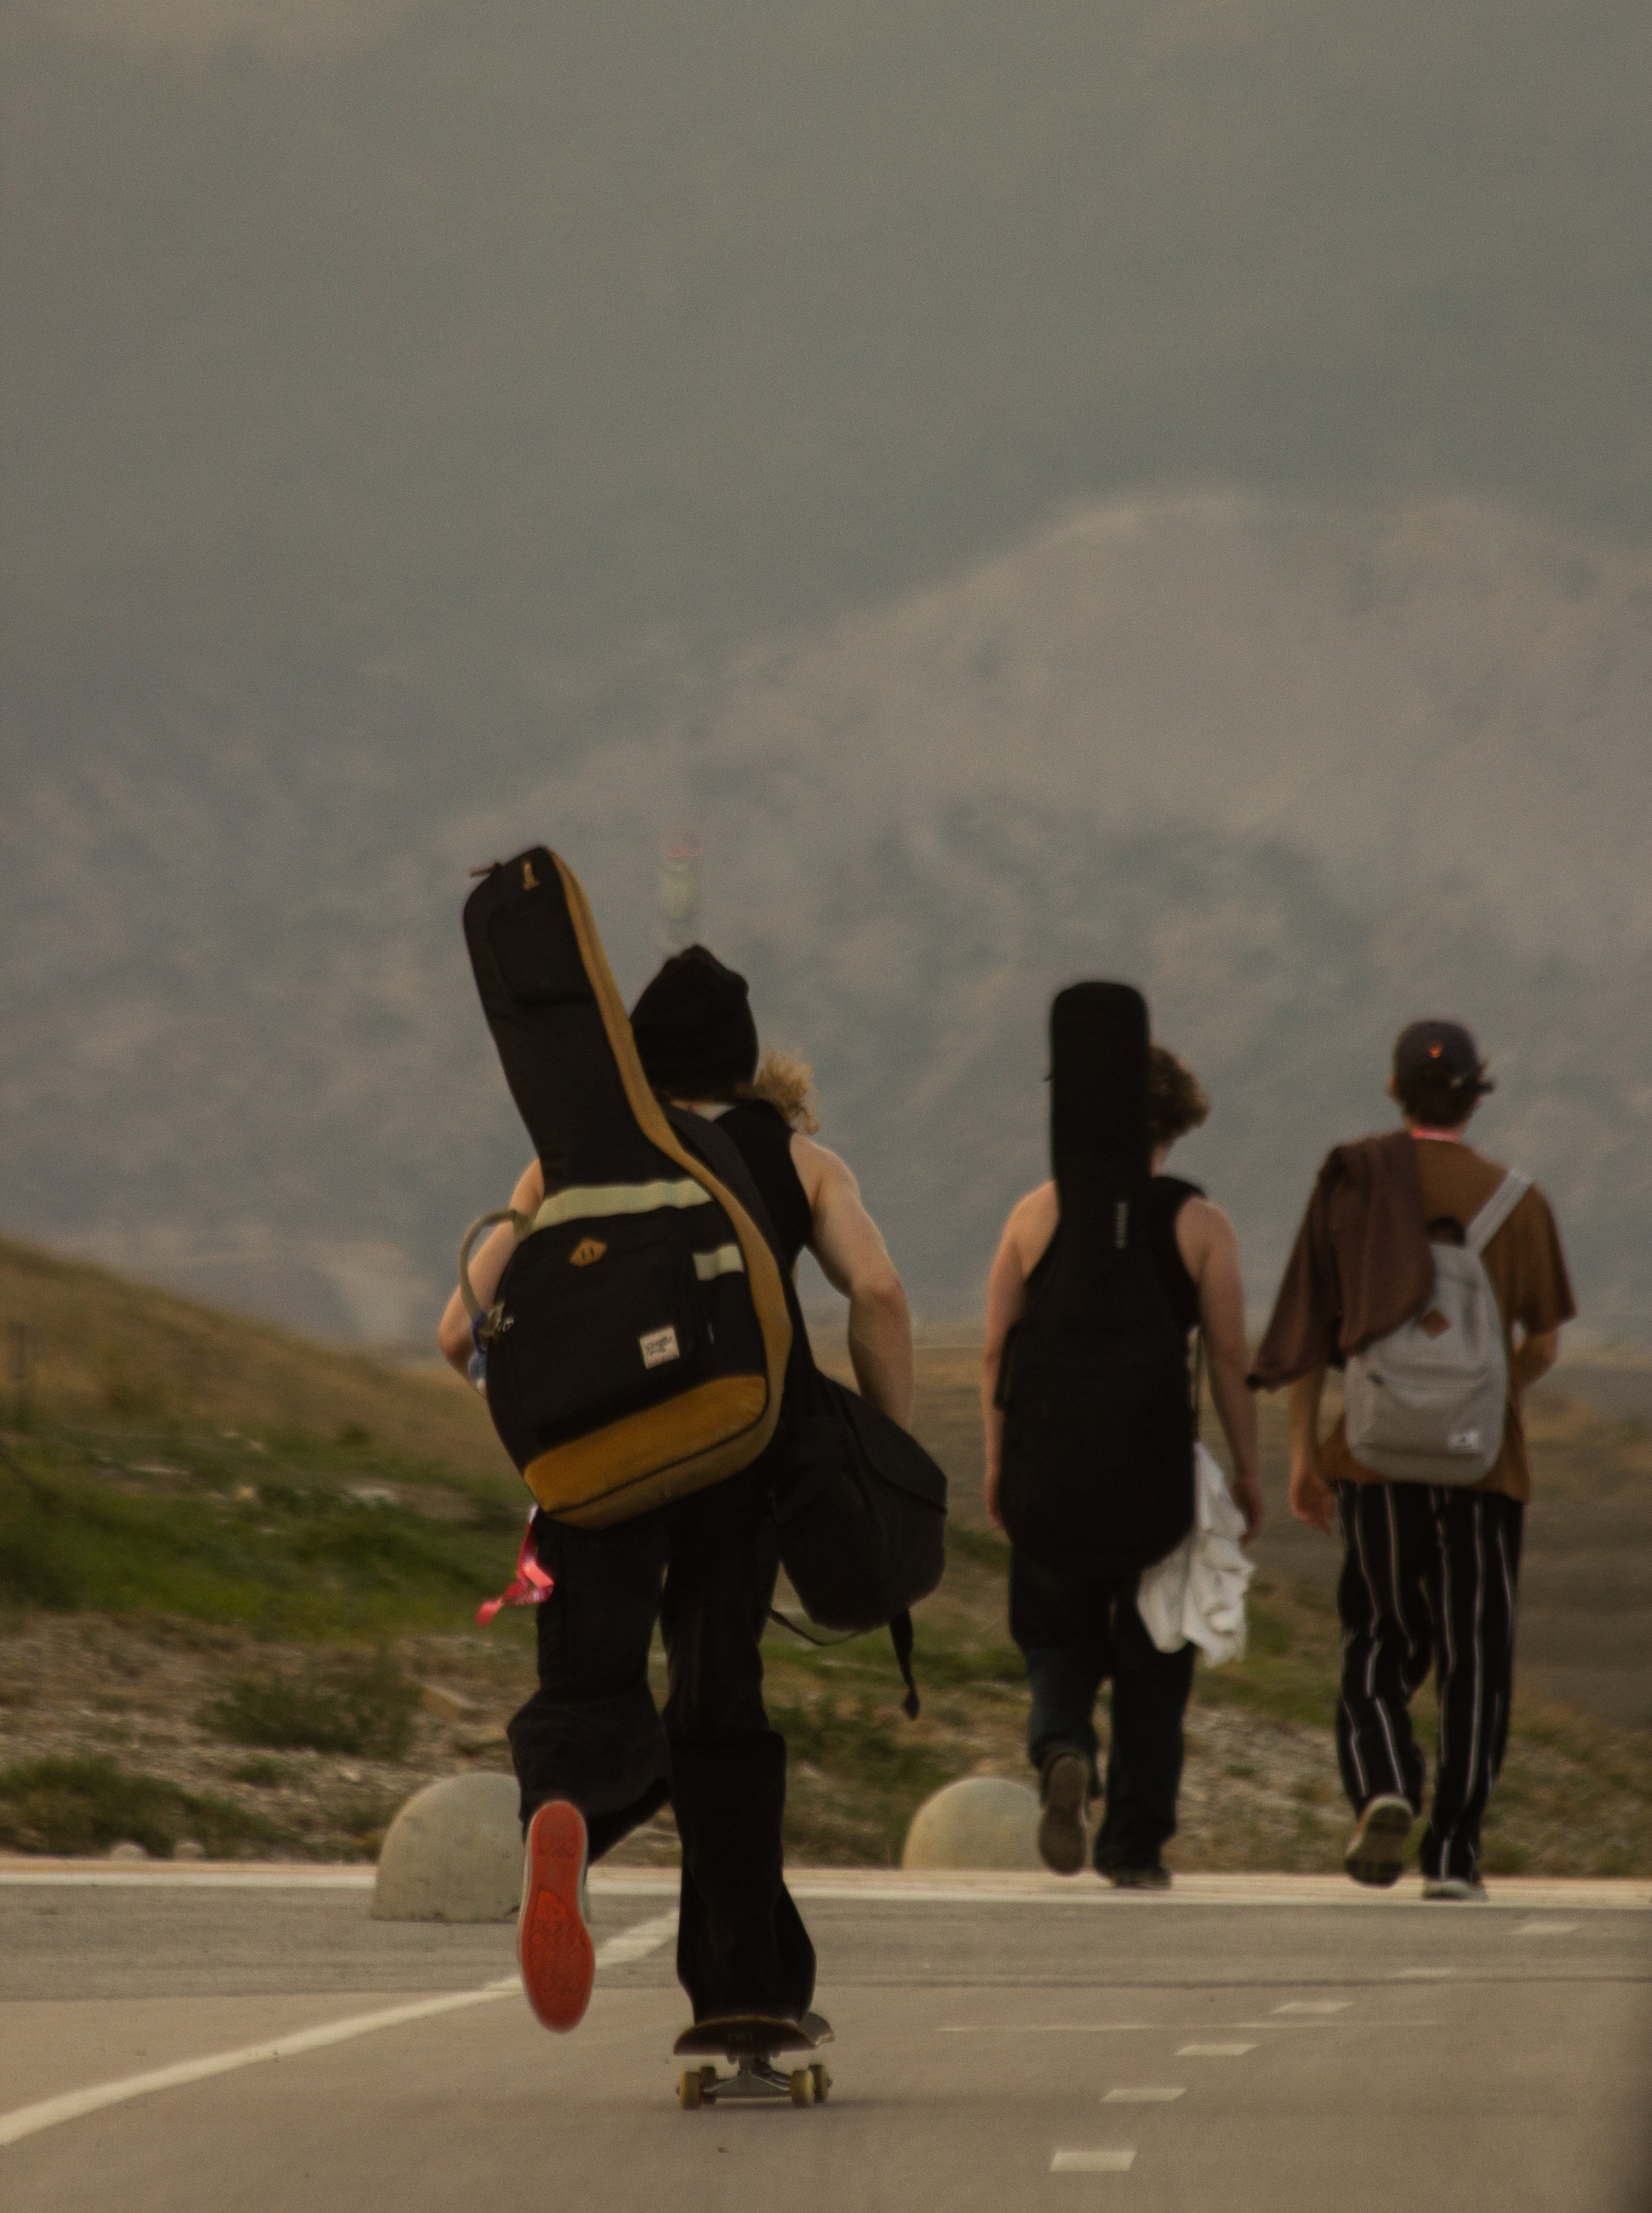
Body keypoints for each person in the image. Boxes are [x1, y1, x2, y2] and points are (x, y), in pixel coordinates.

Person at [438, 944, 912, 2035]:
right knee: (717, 1704)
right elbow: (879, 1291)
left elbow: (460, 1330)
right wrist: (880, 1449)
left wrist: (556, 1445)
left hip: (591, 1470)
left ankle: (563, 1803)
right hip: (735, 1463)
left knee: (585, 1678)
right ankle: (746, 1989)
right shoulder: (796, 1160)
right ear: (747, 1067)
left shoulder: (569, 1159)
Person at [1251, 1019, 1575, 1901]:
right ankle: (1455, 1855)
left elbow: (1310, 1333)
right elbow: (1541, 1341)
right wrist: (1484, 1398)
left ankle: (1386, 1779)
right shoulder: (1520, 1199)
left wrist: (1303, 1456)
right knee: (1478, 1651)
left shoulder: (1353, 1183)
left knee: (1379, 1638)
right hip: (1487, 1466)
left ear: (1395, 1091)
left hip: (1372, 1456)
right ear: (1477, 1095)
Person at [982, 1044, 1262, 1886]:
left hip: (1054, 1471)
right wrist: (1247, 1469)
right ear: (1173, 1122)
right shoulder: (1201, 1224)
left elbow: (998, 1347)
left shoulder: (1035, 1214)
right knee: (1154, 1663)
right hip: (1154, 1479)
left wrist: (1000, 1461)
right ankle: (1134, 1848)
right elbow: (1227, 1353)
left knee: (1057, 1639)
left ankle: (1064, 1745)